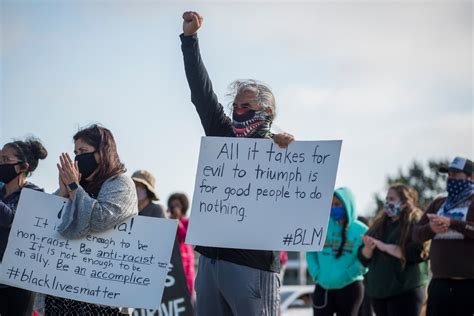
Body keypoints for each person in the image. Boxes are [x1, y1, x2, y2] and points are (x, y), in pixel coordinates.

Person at [180, 11, 294, 315]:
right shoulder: (223, 135)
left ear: (267, 112)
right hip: (211, 263)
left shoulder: (281, 149)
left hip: (252, 268)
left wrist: (282, 148)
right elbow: (201, 95)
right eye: (235, 106)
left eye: (247, 106)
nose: (239, 111)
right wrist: (190, 40)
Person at [44, 124, 138, 315]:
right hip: (62, 288)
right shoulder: (78, 185)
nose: (77, 157)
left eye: (83, 151)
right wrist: (62, 193)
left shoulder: (120, 183)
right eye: (75, 152)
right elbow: (46, 222)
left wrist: (73, 187)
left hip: (99, 296)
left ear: (102, 153)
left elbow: (100, 219)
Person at [413, 157, 474, 316]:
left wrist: (453, 223)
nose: (451, 179)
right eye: (449, 175)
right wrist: (431, 228)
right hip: (440, 284)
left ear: (471, 177)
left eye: (455, 174)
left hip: (468, 285)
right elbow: (416, 233)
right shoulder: (439, 203)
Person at [358, 184, 429, 316]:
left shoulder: (415, 221)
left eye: (392, 198)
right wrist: (368, 249)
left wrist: (385, 247)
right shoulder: (380, 224)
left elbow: (418, 252)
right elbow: (362, 257)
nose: (388, 202)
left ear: (404, 201)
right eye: (387, 199)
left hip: (405, 291)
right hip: (379, 293)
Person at [0, 137, 48, 316]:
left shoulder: (34, 194)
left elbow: (10, 218)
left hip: (18, 281)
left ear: (23, 167)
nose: (0, 163)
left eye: (6, 160)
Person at [306, 187, 368, 316]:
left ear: (347, 205)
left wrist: (349, 274)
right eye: (331, 205)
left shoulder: (362, 230)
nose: (333, 208)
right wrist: (316, 273)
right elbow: (310, 252)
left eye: (337, 205)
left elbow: (367, 259)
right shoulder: (320, 225)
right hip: (323, 287)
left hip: (350, 287)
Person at [167, 193, 194, 296]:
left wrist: (177, 222)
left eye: (178, 205)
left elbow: (185, 237)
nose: (175, 208)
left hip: (185, 262)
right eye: (173, 206)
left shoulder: (187, 222)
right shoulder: (168, 221)